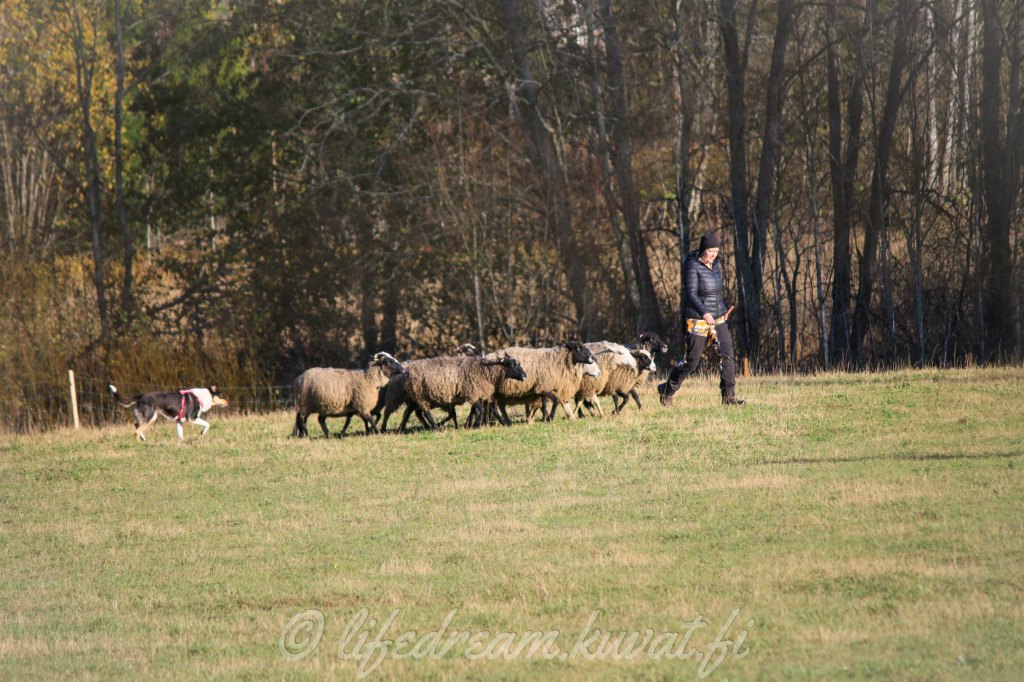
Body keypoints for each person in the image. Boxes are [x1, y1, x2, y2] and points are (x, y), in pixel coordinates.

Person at [658, 232, 745, 406]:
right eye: (710, 251)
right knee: (692, 361)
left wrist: (721, 310)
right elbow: (691, 294)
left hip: (717, 318)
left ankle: (728, 397)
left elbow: (716, 293)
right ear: (702, 249)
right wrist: (705, 313)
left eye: (716, 251)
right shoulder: (692, 265)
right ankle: (668, 389)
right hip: (696, 318)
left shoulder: (717, 265)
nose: (713, 254)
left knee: (727, 355)